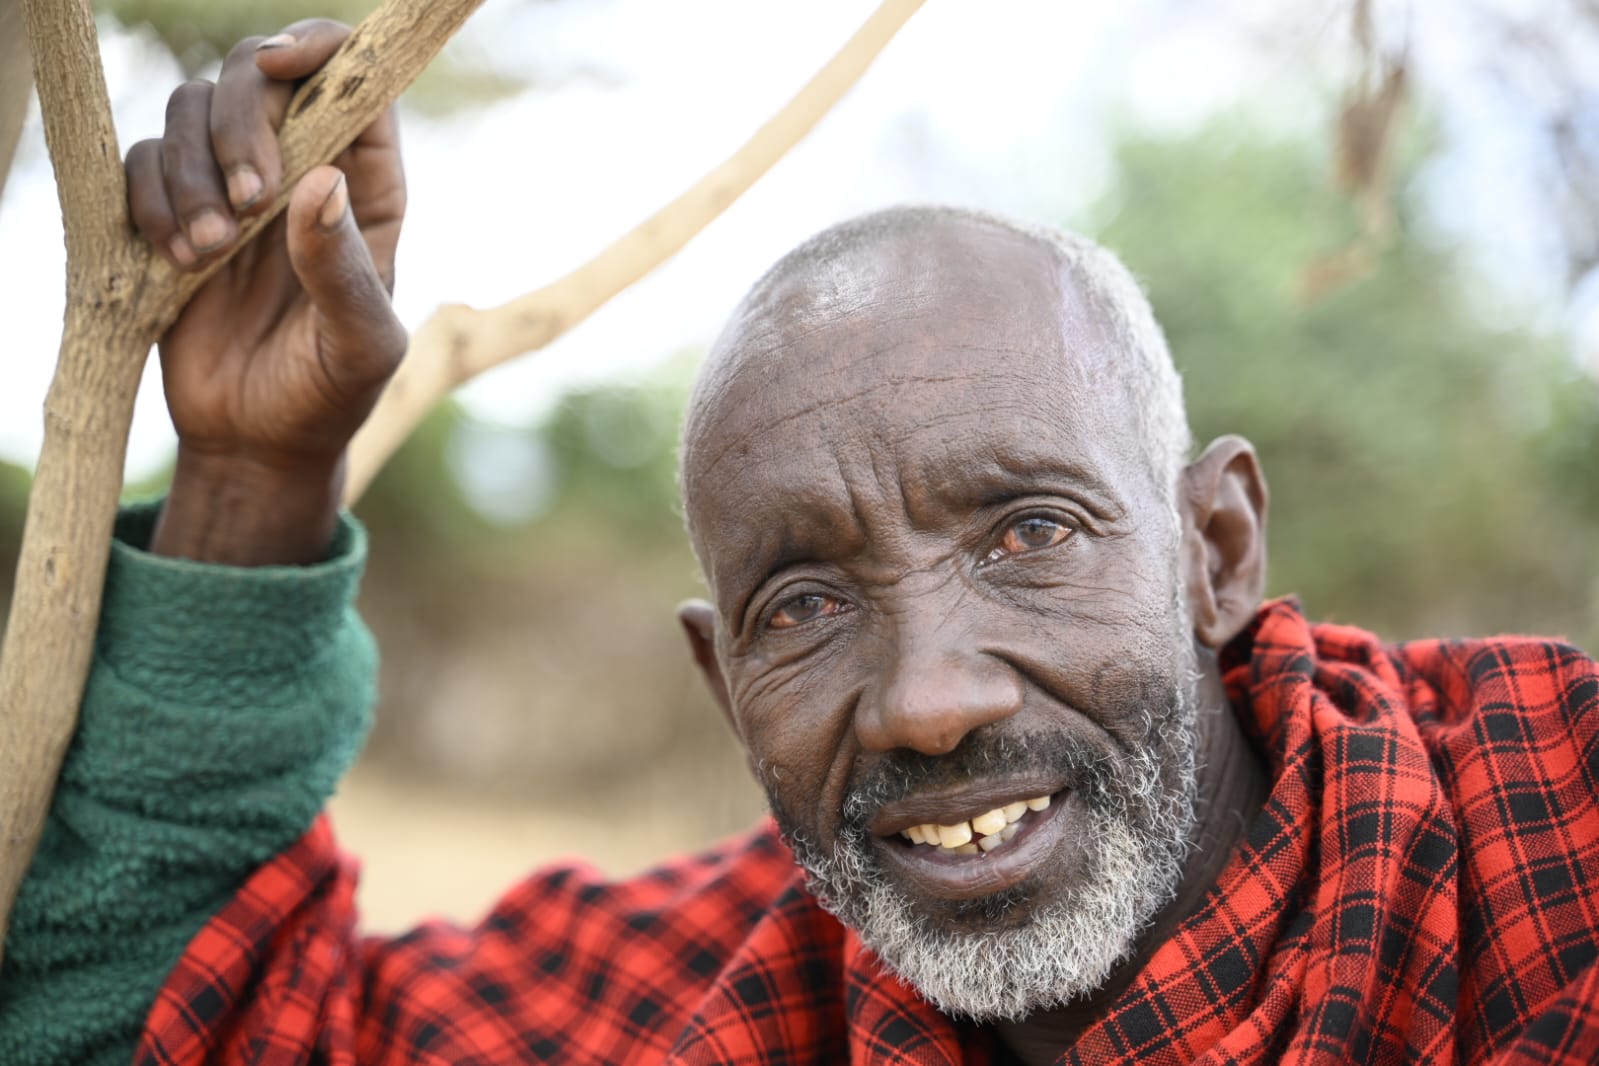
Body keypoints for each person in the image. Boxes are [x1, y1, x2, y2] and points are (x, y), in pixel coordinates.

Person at [2, 20, 1597, 1066]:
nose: (924, 701)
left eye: (1028, 530)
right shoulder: (710, 999)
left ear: (1217, 547)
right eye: (805, 601)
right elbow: (182, 1023)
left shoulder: (1548, 832)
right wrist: (257, 467)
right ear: (721, 676)